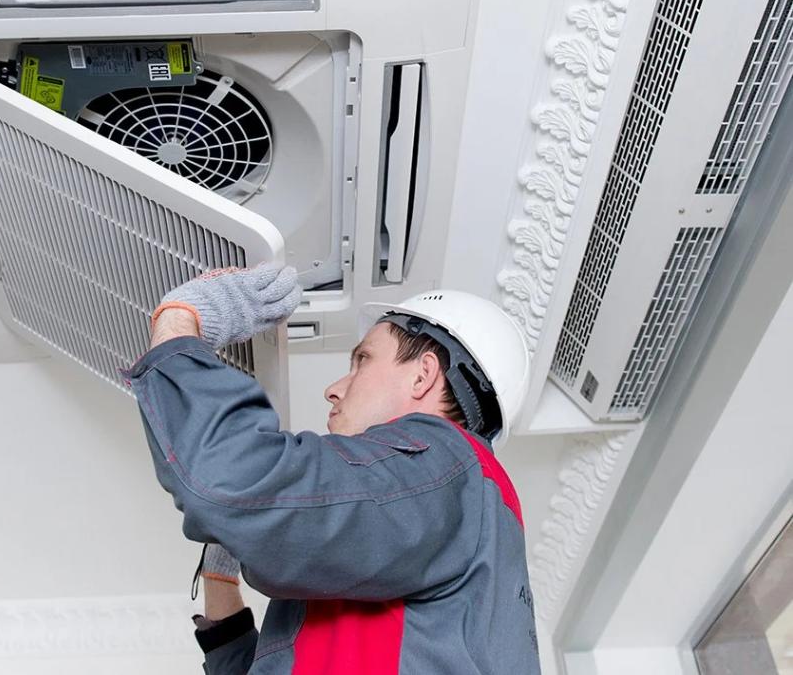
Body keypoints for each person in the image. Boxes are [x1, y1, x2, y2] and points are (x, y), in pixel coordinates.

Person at [125, 262, 541, 674]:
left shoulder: (449, 462)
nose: (334, 389)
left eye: (362, 360)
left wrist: (181, 321)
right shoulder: (443, 515)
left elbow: (227, 476)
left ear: (423, 376)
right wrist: (221, 579)